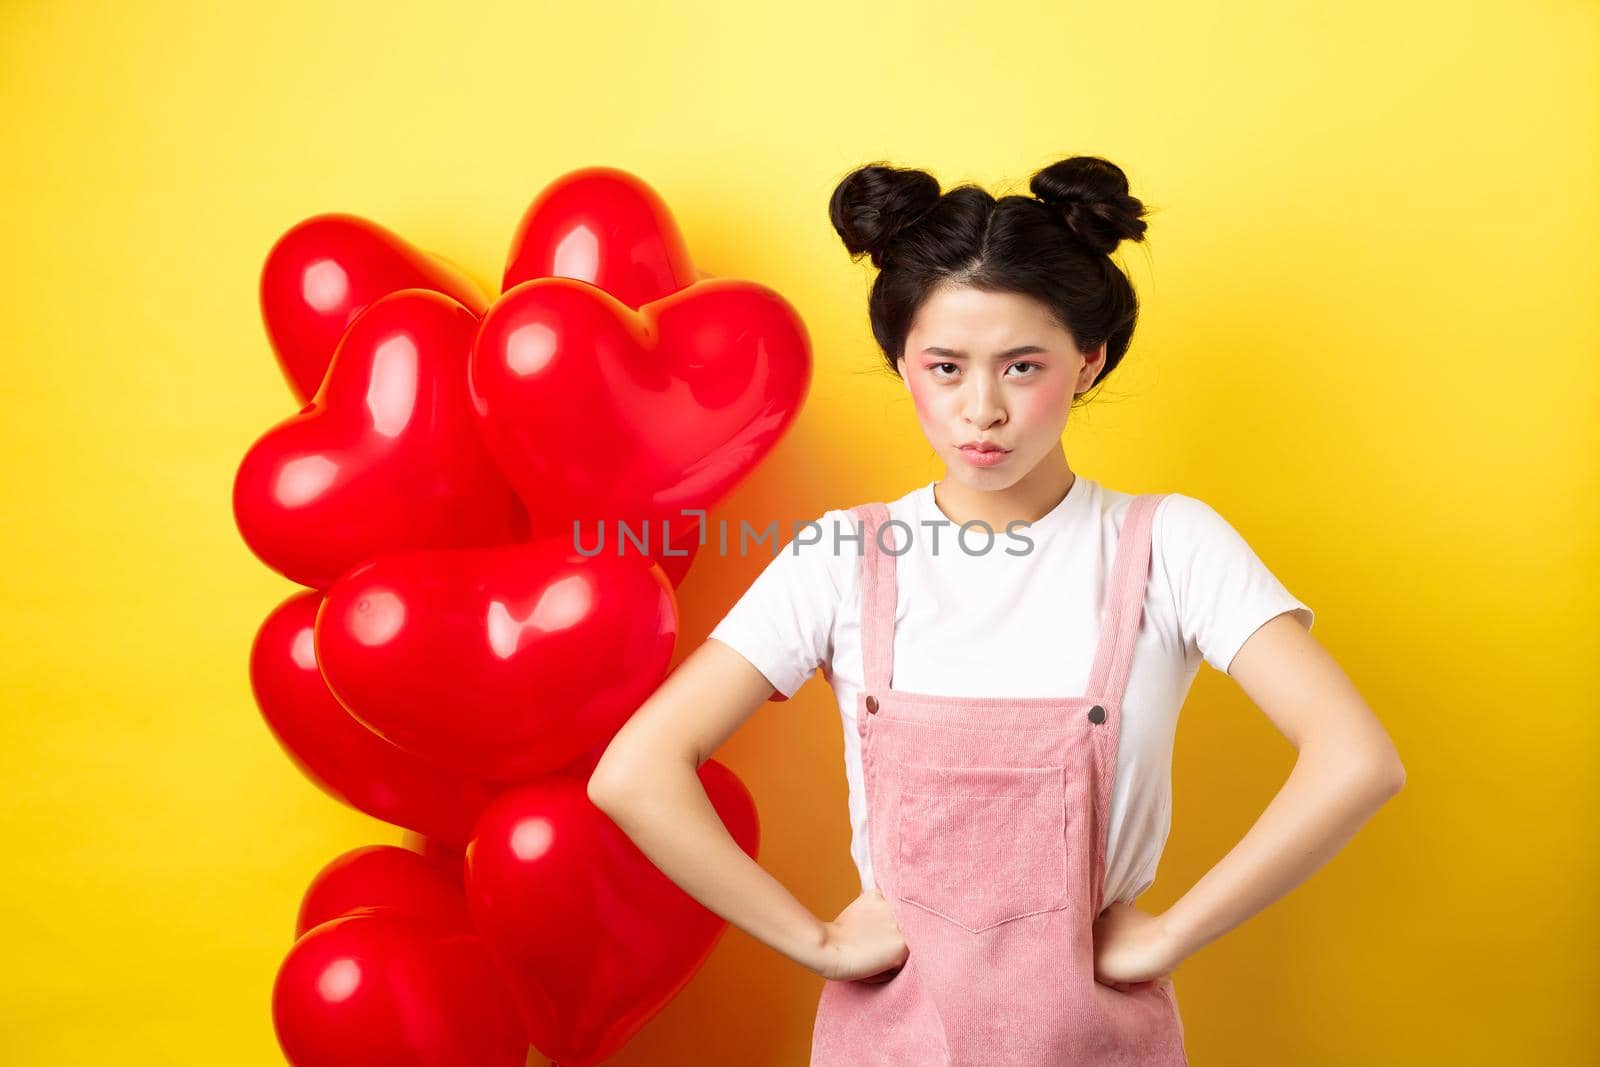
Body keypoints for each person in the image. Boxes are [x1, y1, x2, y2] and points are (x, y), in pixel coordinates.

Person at [587, 155, 1406, 1064]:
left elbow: (1356, 759)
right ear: (903, 364)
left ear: (1088, 361)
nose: (983, 411)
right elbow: (636, 772)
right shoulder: (841, 555)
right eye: (946, 367)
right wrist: (811, 940)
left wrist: (1173, 935)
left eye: (1023, 366)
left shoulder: (1170, 545)